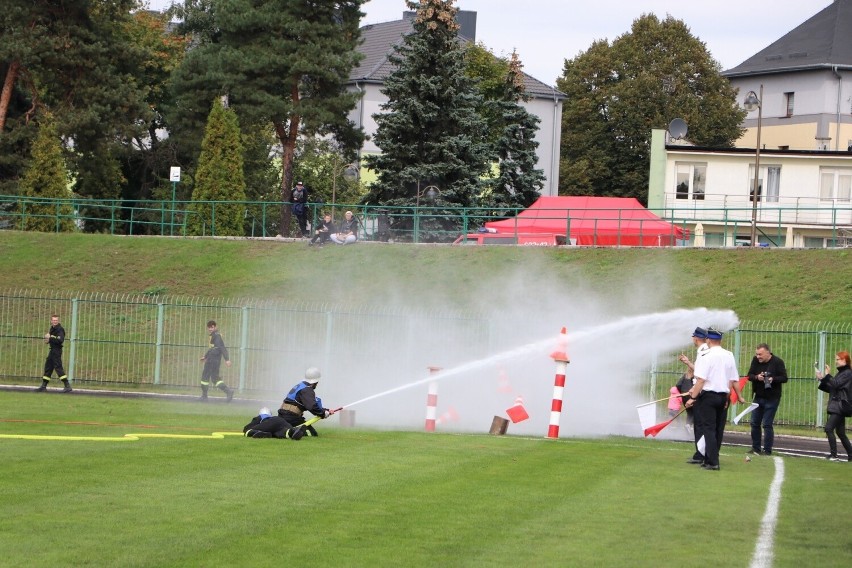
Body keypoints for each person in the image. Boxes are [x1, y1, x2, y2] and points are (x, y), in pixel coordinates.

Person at [685, 327, 744, 470]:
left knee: (708, 429)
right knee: (718, 429)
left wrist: (693, 397)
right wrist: (739, 397)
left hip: (708, 396)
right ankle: (713, 457)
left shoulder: (706, 355)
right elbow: (734, 379)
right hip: (724, 396)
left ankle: (712, 461)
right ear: (720, 340)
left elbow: (700, 380)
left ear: (708, 340)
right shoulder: (729, 355)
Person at [746, 343, 788, 456]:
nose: (758, 356)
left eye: (760, 354)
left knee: (767, 424)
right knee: (754, 422)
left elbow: (784, 378)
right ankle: (756, 448)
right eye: (757, 354)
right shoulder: (755, 361)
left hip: (772, 397)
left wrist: (772, 379)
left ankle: (767, 450)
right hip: (758, 396)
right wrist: (757, 377)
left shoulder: (778, 362)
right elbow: (749, 375)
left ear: (768, 352)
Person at [678, 327, 709, 463]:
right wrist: (688, 363)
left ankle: (701, 454)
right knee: (702, 425)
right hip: (702, 390)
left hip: (703, 393)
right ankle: (703, 454)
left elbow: (702, 375)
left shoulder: (703, 351)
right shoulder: (704, 351)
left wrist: (694, 394)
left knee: (701, 425)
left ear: (696, 338)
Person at [815, 351, 852, 462]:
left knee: (829, 428)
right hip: (839, 405)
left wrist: (827, 375)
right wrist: (822, 378)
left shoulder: (847, 373)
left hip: (840, 405)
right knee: (840, 433)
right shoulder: (842, 373)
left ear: (844, 360)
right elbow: (832, 387)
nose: (836, 361)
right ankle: (851, 455)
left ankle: (834, 455)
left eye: (838, 359)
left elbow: (835, 384)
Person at [278, 367, 333, 436]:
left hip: (283, 415)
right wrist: (323, 413)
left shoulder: (300, 386)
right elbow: (312, 406)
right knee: (312, 434)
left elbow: (309, 404)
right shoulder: (307, 390)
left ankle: (287, 430)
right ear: (316, 381)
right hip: (292, 418)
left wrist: (326, 410)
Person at [199, 320, 234, 402]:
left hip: (214, 360)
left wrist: (227, 359)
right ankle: (204, 396)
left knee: (213, 378)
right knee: (206, 377)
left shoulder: (217, 336)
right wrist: (205, 356)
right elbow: (212, 348)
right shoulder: (213, 336)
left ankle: (228, 391)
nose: (210, 329)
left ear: (215, 327)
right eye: (209, 327)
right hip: (211, 359)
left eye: (212, 327)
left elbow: (222, 347)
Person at [36, 314, 71, 392]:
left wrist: (50, 337)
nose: (55, 322)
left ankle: (67, 385)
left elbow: (60, 340)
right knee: (48, 367)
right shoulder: (52, 328)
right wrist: (47, 340)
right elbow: (51, 339)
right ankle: (43, 386)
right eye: (53, 320)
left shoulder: (60, 329)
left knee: (58, 367)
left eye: (56, 320)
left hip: (57, 351)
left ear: (58, 321)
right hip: (52, 350)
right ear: (51, 321)